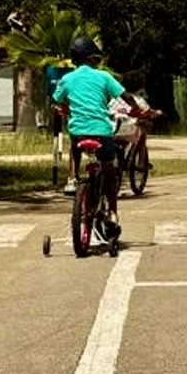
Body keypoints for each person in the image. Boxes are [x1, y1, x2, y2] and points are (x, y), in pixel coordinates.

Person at [52, 38, 143, 230]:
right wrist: (135, 109)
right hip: (102, 131)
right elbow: (126, 96)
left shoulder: (68, 79)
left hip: (78, 131)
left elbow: (57, 101)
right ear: (92, 59)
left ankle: (72, 178)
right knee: (109, 172)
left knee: (74, 146)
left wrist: (64, 109)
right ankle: (112, 213)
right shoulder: (104, 77)